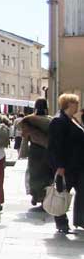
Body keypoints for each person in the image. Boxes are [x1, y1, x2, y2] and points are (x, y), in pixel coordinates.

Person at [48, 94, 84, 232]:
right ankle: (61, 223)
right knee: (61, 194)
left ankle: (80, 220)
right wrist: (60, 166)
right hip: (66, 166)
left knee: (81, 192)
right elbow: (56, 146)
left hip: (77, 165)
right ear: (68, 104)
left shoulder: (72, 119)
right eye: (76, 103)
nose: (78, 105)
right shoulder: (58, 121)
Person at [18, 98, 52, 206]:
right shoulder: (51, 121)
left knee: (34, 174)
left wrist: (23, 152)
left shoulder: (29, 120)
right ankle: (44, 197)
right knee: (47, 175)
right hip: (48, 151)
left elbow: (25, 136)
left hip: (34, 151)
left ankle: (35, 195)